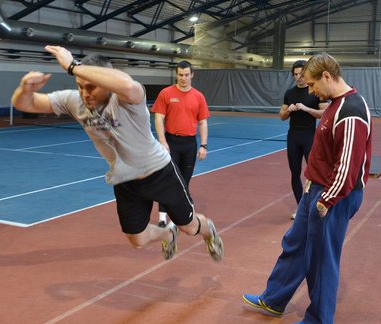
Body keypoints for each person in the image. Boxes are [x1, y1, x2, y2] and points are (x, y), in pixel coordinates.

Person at [11, 45, 223, 262]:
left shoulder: (128, 98)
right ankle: (167, 233)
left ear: (105, 83)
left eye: (91, 87)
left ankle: (209, 231)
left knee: (189, 226)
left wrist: (73, 65)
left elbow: (126, 83)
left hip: (159, 172)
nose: (85, 94)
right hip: (126, 179)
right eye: (80, 87)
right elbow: (25, 104)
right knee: (137, 240)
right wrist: (25, 89)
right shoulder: (74, 101)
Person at [242, 53, 372, 324]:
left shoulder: (351, 109)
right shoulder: (335, 105)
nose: (311, 91)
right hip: (316, 189)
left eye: (312, 84)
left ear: (326, 76)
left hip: (333, 196)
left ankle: (318, 319)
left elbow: (348, 164)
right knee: (295, 244)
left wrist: (326, 200)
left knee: (322, 260)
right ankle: (275, 298)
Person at [151, 60, 209, 227]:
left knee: (184, 181)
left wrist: (204, 145)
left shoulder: (198, 96)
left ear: (192, 75)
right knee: (168, 180)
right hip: (170, 142)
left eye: (186, 75)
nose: (183, 78)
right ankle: (162, 218)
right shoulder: (166, 93)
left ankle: (184, 214)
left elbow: (203, 122)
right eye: (180, 75)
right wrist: (162, 141)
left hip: (189, 144)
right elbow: (159, 118)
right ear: (176, 75)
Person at [279, 60, 328, 220]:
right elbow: (282, 116)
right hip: (293, 136)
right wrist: (289, 111)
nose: (299, 77)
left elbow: (324, 113)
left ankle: (318, 204)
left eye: (301, 74)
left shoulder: (314, 91)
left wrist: (307, 109)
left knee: (314, 173)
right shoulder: (290, 93)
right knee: (295, 172)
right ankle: (301, 207)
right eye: (296, 74)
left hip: (309, 136)